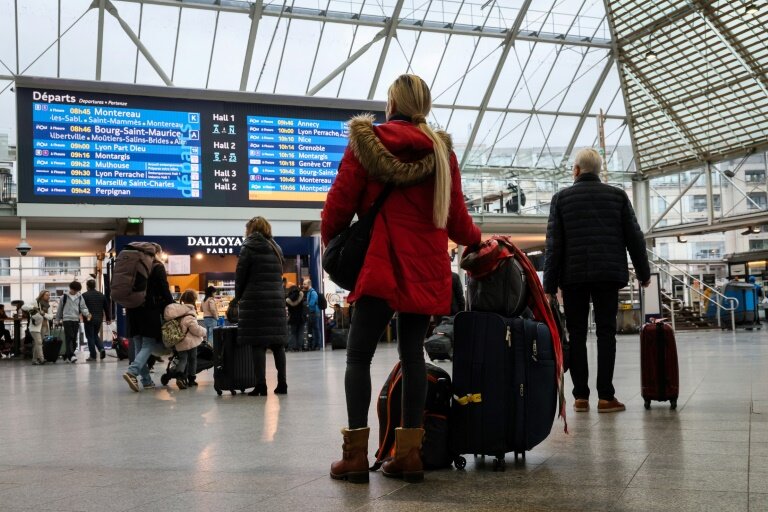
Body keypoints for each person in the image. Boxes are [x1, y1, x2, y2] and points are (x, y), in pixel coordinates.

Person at [322, 74, 481, 484]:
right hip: (426, 268)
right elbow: (457, 218)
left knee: (359, 355)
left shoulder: (366, 144)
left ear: (391, 104)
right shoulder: (441, 152)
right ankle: (409, 455)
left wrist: (333, 242)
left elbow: (338, 204)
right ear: (424, 106)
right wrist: (479, 240)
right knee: (413, 356)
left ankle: (355, 456)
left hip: (381, 262)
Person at [543, 148, 651, 414]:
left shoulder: (561, 199)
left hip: (573, 277)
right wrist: (644, 273)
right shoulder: (617, 196)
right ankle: (606, 396)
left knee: (577, 334)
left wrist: (549, 285)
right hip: (607, 275)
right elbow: (634, 238)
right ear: (599, 171)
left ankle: (580, 397)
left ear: (577, 170)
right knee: (606, 333)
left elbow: (554, 246)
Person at [235, 216, 288, 396]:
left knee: (258, 344)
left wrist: (237, 298)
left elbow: (241, 275)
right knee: (278, 344)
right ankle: (282, 384)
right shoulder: (276, 248)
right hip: (276, 301)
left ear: (250, 229)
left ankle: (261, 386)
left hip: (255, 300)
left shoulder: (248, 247)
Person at [122, 243, 174, 392]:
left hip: (132, 309)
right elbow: (164, 290)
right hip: (149, 310)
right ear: (157, 252)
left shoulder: (133, 265)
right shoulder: (157, 266)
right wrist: (173, 305)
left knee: (139, 346)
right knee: (148, 344)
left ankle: (146, 380)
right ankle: (132, 372)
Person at [164, 290, 206, 389]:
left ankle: (180, 377)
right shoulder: (189, 314)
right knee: (192, 359)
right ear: (194, 300)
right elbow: (195, 329)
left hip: (179, 341)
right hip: (191, 342)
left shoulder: (177, 312)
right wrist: (204, 331)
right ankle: (191, 379)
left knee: (183, 359)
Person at [55, 281, 91, 363]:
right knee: (69, 337)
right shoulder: (64, 297)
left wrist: (87, 314)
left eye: (77, 290)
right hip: (67, 320)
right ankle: (71, 355)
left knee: (74, 338)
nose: (75, 292)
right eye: (74, 290)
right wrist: (57, 319)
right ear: (70, 288)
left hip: (76, 319)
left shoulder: (80, 297)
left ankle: (67, 354)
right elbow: (59, 309)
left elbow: (83, 308)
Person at [81, 279, 112, 361]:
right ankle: (101, 349)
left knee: (90, 337)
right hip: (99, 319)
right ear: (94, 286)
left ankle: (93, 355)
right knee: (94, 335)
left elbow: (81, 307)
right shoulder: (101, 295)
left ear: (87, 286)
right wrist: (108, 318)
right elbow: (106, 308)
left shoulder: (84, 295)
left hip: (88, 319)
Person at [22, 290, 54, 365]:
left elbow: (50, 317)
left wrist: (43, 314)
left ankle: (34, 360)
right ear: (42, 295)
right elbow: (24, 307)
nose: (48, 296)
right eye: (46, 295)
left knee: (38, 344)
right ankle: (42, 359)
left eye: (49, 295)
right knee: (39, 342)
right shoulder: (35, 302)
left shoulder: (48, 305)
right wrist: (33, 307)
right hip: (35, 327)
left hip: (44, 327)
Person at [303, 279, 323, 350]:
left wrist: (306, 304)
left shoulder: (313, 293)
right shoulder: (308, 293)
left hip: (314, 313)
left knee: (316, 329)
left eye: (305, 284)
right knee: (310, 330)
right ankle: (310, 344)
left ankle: (317, 344)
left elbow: (311, 304)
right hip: (310, 313)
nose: (303, 285)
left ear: (309, 284)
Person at [285, 283, 305, 352]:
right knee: (300, 333)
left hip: (293, 318)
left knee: (293, 333)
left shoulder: (288, 299)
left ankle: (293, 347)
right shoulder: (301, 295)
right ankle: (300, 347)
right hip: (301, 317)